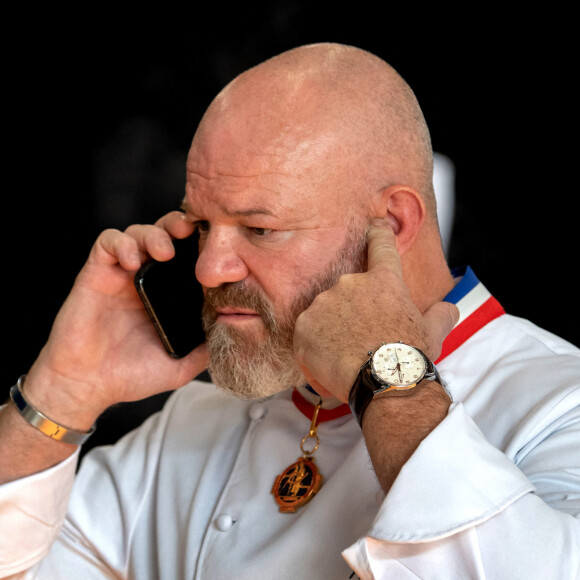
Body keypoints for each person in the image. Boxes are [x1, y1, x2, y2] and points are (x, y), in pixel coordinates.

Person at [0, 42, 578, 579]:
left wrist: (388, 376)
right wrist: (61, 394)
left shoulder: (559, 404)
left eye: (259, 228)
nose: (208, 269)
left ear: (395, 225)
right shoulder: (193, 423)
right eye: (203, 225)